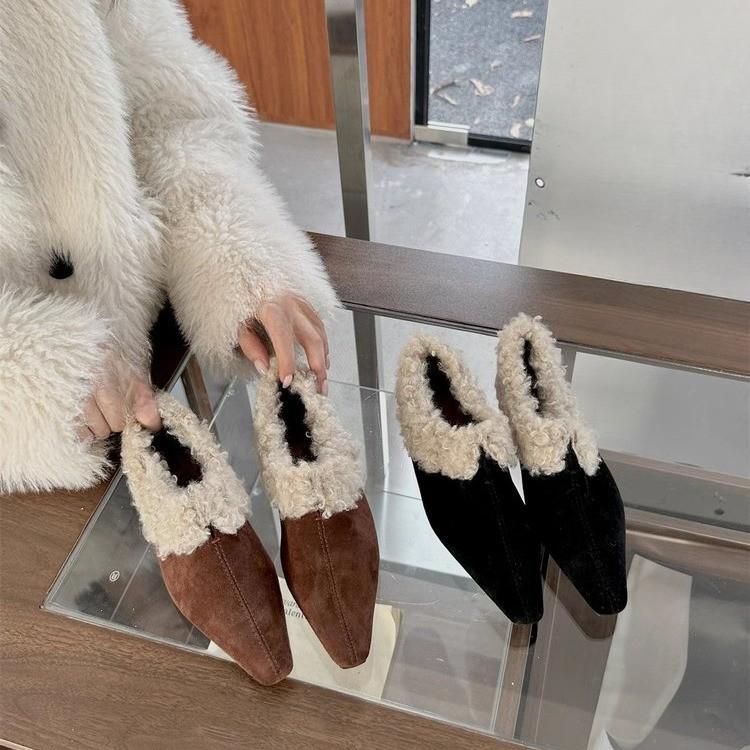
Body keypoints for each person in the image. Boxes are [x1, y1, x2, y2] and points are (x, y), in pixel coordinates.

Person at [0, 1, 338, 494]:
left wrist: (233, 257)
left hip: (147, 355)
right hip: (26, 474)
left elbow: (164, 107)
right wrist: (32, 375)